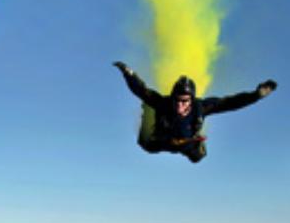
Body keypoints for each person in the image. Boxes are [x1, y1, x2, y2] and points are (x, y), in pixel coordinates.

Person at [112, 62, 277, 163]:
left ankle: (196, 143)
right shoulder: (163, 103)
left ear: (191, 100)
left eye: (184, 101)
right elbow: (141, 90)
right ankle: (148, 113)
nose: (179, 105)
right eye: (176, 99)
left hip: (187, 143)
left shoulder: (201, 107)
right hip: (163, 140)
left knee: (198, 157)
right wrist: (129, 74)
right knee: (145, 145)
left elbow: (230, 103)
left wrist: (256, 95)